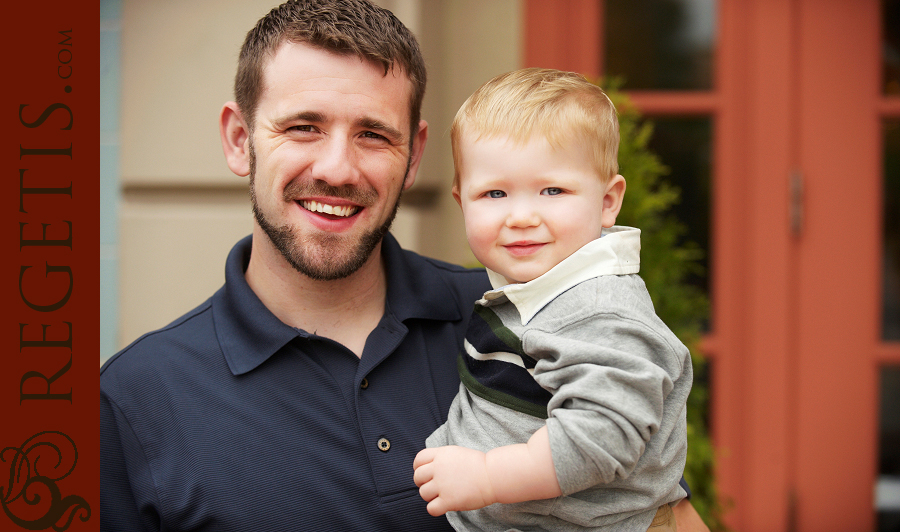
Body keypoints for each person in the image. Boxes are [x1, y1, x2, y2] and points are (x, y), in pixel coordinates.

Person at [100, 1, 709, 530]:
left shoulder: (519, 315)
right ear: (240, 141)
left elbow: (658, 511)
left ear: (414, 156)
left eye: (372, 134)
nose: (337, 168)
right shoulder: (134, 398)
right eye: (303, 127)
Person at [413, 68, 692, 532]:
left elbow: (601, 437)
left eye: (553, 190)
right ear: (463, 202)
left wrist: (486, 476)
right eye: (495, 193)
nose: (521, 216)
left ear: (607, 201)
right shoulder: (541, 290)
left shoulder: (600, 309)